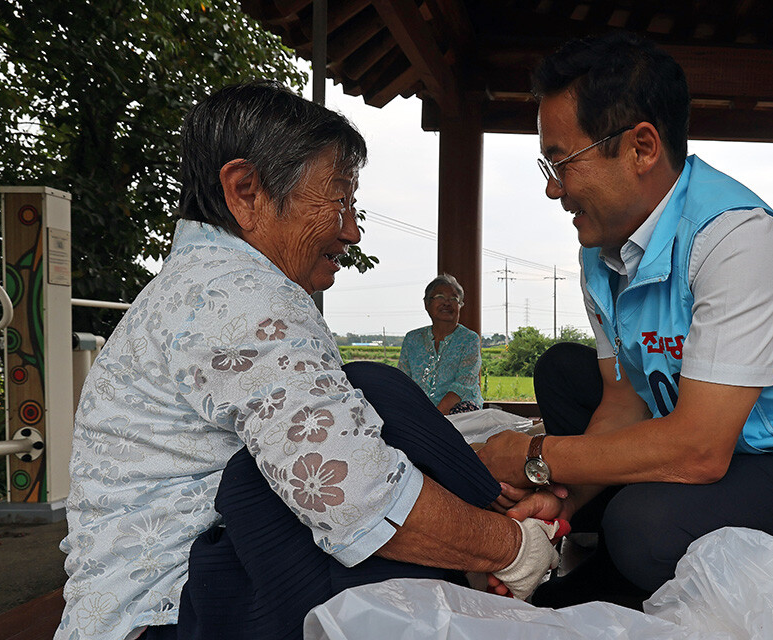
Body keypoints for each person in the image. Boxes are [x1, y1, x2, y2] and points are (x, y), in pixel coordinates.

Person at [56, 81, 561, 640]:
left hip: (149, 610)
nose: (350, 230)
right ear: (245, 191)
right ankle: (513, 517)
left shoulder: (199, 283)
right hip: (175, 619)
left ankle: (501, 509)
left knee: (370, 397)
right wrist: (514, 550)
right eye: (339, 199)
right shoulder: (241, 296)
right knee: (367, 413)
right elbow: (357, 501)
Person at [477, 32, 773, 609]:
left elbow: (701, 450)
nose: (553, 189)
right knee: (565, 371)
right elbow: (622, 402)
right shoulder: (599, 254)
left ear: (641, 148)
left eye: (561, 162)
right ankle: (594, 530)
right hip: (693, 437)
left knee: (643, 527)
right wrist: (560, 499)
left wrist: (538, 459)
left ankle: (625, 547)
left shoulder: (735, 239)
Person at [398, 274, 484, 415]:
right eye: (440, 297)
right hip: (419, 411)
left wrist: (433, 419)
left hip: (458, 411)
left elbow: (462, 386)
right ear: (427, 304)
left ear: (460, 306)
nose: (447, 303)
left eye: (454, 299)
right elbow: (403, 382)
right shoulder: (412, 339)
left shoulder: (469, 339)